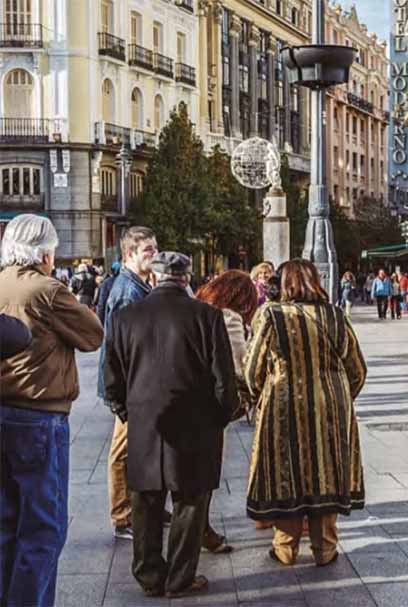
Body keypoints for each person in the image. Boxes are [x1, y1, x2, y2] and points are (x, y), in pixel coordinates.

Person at [103, 252, 237, 599]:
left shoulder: (124, 318)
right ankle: (180, 577)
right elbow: (224, 380)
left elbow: (111, 379)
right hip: (196, 425)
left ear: (153, 279)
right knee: (190, 502)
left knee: (146, 501)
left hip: (146, 424)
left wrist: (128, 413)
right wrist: (220, 418)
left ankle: (149, 574)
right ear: (186, 278)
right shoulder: (207, 316)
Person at [0, 214, 104, 607]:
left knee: (7, 525)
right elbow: (93, 334)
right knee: (44, 530)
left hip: (3, 412)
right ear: (44, 252)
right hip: (38, 415)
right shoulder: (47, 289)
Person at [244, 259, 367, 567]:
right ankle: (325, 548)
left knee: (286, 472)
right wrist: (338, 395)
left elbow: (251, 370)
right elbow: (357, 369)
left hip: (284, 403)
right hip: (331, 405)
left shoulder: (271, 316)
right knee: (326, 472)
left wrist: (260, 395)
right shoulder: (336, 315)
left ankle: (285, 547)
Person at [98, 226, 159, 540]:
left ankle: (147, 509)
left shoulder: (140, 285)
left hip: (135, 383)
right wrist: (122, 394)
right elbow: (121, 346)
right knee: (122, 451)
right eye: (147, 250)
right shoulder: (126, 290)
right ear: (130, 254)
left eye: (154, 248)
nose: (154, 254)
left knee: (137, 447)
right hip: (128, 386)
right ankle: (122, 516)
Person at [194, 270, 261, 555]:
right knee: (205, 472)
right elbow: (239, 366)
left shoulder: (197, 308)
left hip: (181, 397)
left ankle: (197, 528)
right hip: (209, 404)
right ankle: (201, 529)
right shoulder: (228, 317)